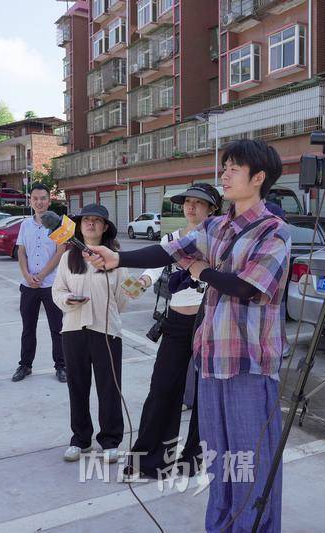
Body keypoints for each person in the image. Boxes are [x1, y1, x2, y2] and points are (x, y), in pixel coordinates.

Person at [84, 139, 291, 532]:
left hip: (248, 366)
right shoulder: (216, 226)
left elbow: (247, 287)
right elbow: (168, 251)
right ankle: (221, 525)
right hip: (211, 361)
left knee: (252, 462)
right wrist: (118, 258)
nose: (224, 174)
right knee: (220, 459)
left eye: (233, 168)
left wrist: (201, 271)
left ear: (258, 178)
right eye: (225, 166)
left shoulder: (273, 231)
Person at [124, 183, 222, 480]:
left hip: (211, 324)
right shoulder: (171, 239)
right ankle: (149, 460)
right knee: (162, 388)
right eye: (187, 201)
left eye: (198, 202)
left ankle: (195, 458)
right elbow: (154, 267)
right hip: (177, 323)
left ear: (212, 209)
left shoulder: (220, 241)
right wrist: (141, 282)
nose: (190, 207)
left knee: (207, 392)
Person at [52, 204, 132, 464]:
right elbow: (57, 291)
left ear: (105, 227)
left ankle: (110, 441)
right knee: (77, 386)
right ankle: (80, 439)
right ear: (79, 225)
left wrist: (105, 310)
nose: (91, 224)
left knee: (109, 388)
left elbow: (123, 297)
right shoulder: (69, 257)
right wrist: (68, 299)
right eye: (86, 219)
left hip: (106, 331)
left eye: (97, 220)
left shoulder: (115, 258)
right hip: (74, 330)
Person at [12, 183, 67, 384]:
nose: (39, 202)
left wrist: (42, 275)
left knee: (57, 328)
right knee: (28, 327)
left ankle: (61, 366)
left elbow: (60, 251)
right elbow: (21, 252)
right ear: (31, 201)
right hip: (28, 286)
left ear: (49, 200)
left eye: (43, 198)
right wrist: (27, 275)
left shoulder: (57, 224)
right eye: (35, 198)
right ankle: (25, 365)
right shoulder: (25, 225)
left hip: (51, 284)